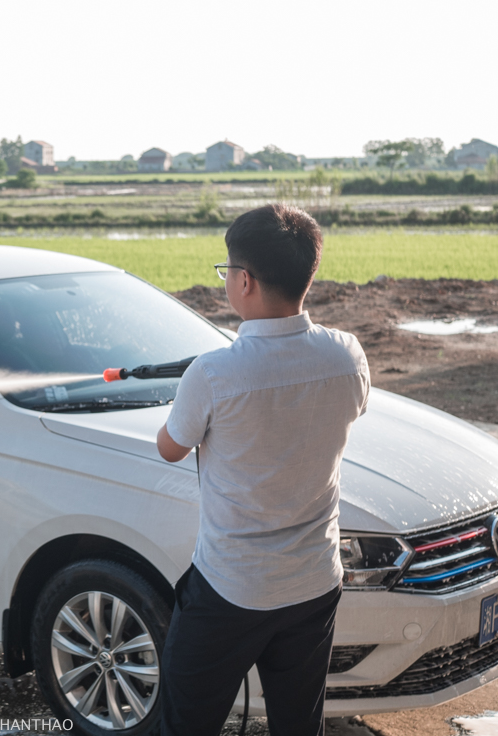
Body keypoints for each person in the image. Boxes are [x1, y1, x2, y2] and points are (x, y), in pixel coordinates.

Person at [156, 204, 370, 736]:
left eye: (227, 271)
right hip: (314, 581)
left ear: (245, 280)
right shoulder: (347, 356)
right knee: (299, 724)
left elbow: (170, 448)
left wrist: (190, 397)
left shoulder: (212, 373)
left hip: (231, 587)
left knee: (188, 722)